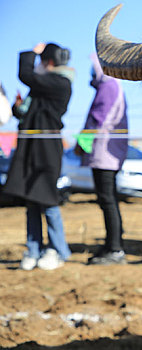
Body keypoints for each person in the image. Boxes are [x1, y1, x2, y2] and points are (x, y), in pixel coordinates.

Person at [3, 43, 74, 270]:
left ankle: (57, 249)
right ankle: (33, 249)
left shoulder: (60, 83)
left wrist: (31, 52)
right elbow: (27, 111)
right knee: (30, 200)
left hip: (47, 150)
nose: (39, 66)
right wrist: (17, 108)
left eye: (41, 60)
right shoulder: (43, 86)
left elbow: (25, 74)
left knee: (47, 200)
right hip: (30, 149)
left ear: (49, 62)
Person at [77, 54, 128, 265]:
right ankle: (112, 244)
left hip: (104, 154)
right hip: (108, 154)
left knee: (107, 200)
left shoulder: (108, 85)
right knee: (109, 200)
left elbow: (97, 118)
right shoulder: (112, 85)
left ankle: (115, 249)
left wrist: (82, 143)